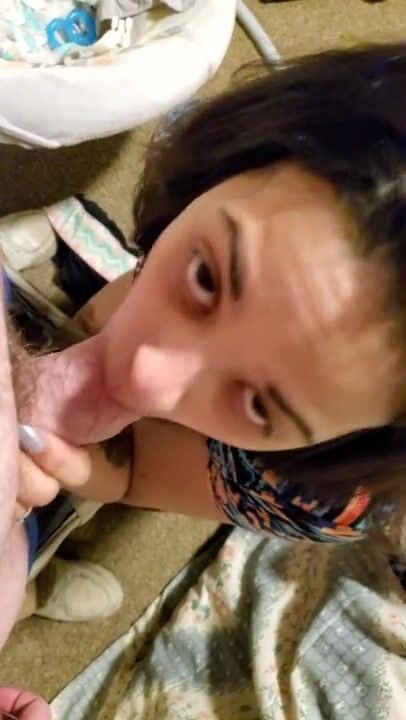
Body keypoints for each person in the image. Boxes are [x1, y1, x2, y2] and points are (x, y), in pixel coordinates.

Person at [3, 41, 406, 716]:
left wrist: (61, 491)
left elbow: (132, 477)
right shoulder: (233, 172)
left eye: (259, 403)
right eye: (207, 279)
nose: (146, 378)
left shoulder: (315, 494)